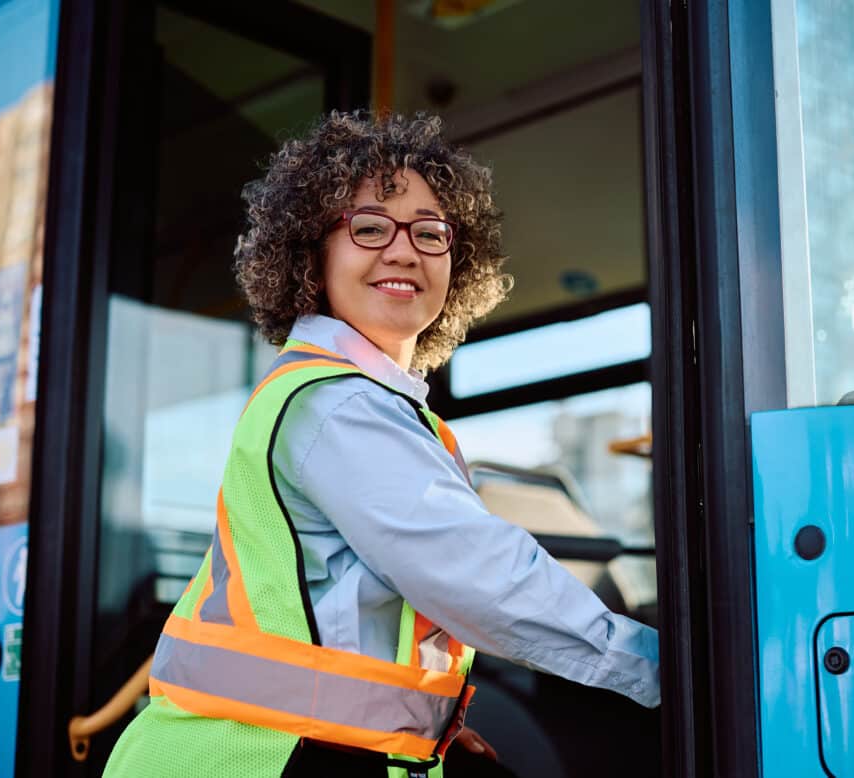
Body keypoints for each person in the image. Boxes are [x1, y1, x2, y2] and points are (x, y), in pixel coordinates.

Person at [104, 111, 660, 778]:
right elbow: (473, 573)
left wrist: (424, 723)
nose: (403, 251)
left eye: (430, 233)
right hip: (255, 759)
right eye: (369, 228)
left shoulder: (341, 396)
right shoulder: (338, 403)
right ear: (311, 253)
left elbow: (339, 623)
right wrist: (660, 667)